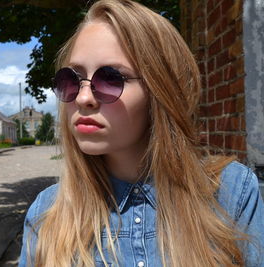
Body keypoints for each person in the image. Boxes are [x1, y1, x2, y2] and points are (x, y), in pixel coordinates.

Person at [18, 0, 264, 266]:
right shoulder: (47, 213)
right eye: (71, 80)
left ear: (161, 90)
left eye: (111, 78)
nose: (83, 97)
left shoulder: (230, 194)